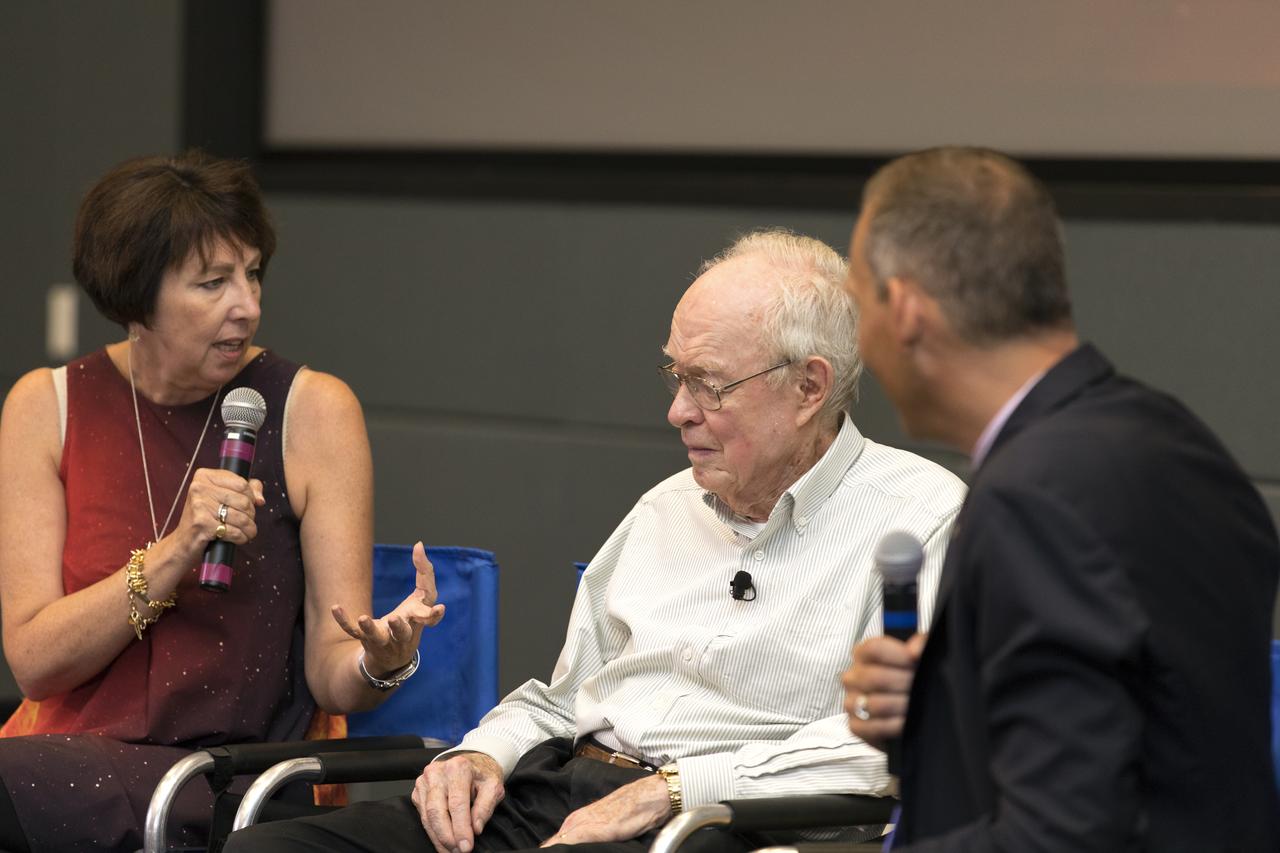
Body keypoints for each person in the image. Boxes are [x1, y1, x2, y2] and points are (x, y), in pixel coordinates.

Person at [224, 229, 967, 853]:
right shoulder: (665, 508)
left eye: (709, 384)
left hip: (722, 822)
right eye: (675, 375)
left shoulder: (921, 520)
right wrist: (484, 750)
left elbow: (893, 745)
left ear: (810, 387)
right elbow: (563, 699)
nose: (678, 411)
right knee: (272, 847)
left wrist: (673, 790)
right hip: (560, 789)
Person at [0, 151, 446, 852]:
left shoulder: (314, 409)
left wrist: (380, 663)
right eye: (213, 283)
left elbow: (333, 676)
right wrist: (176, 552)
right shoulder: (45, 406)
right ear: (134, 300)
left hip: (233, 774)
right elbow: (34, 661)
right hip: (66, 758)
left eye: (252, 273)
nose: (248, 304)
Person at [840, 147, 1280, 850]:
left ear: (907, 310)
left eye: (857, 300)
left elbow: (1065, 833)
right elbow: (1156, 718)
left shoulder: (1031, 499)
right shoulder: (1175, 440)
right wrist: (943, 701)